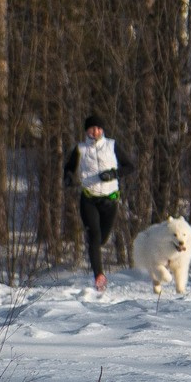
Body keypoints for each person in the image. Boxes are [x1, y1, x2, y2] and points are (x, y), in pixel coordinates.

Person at [63, 114, 135, 291]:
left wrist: (113, 174)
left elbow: (129, 167)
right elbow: (68, 169)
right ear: (86, 130)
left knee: (102, 238)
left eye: (98, 128)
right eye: (92, 128)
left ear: (102, 130)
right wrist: (68, 178)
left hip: (110, 199)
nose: (95, 131)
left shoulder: (112, 146)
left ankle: (95, 255)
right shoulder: (80, 149)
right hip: (89, 199)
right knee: (94, 236)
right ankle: (99, 276)